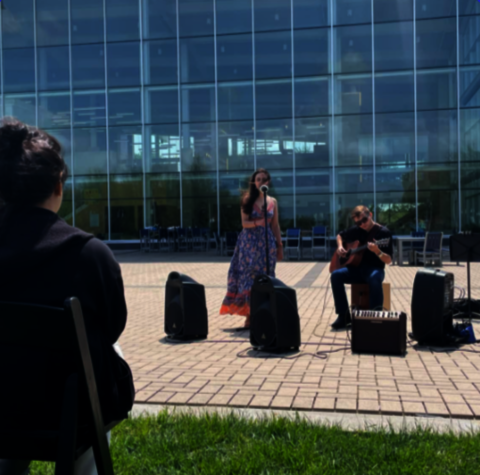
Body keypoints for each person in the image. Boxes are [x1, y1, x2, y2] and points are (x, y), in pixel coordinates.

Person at [0, 118, 135, 475]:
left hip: (1, 404)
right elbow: (112, 328)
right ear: (57, 185)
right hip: (65, 412)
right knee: (99, 359)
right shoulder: (90, 255)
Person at [220, 168, 283, 329]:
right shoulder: (247, 199)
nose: (261, 182)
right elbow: (244, 223)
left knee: (266, 276)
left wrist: (279, 245)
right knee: (249, 277)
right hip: (249, 243)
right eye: (258, 179)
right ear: (254, 183)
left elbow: (275, 225)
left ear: (268, 182)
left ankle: (264, 311)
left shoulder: (272, 201)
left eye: (264, 179)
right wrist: (257, 223)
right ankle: (249, 316)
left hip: (267, 245)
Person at [330, 205, 393, 330]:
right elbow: (340, 235)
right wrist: (340, 247)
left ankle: (375, 316)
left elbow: (389, 260)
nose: (362, 224)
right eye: (358, 223)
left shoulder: (383, 233)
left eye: (364, 220)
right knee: (335, 275)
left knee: (375, 278)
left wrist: (377, 251)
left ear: (370, 215)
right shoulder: (356, 229)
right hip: (356, 269)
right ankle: (343, 315)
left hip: (374, 269)